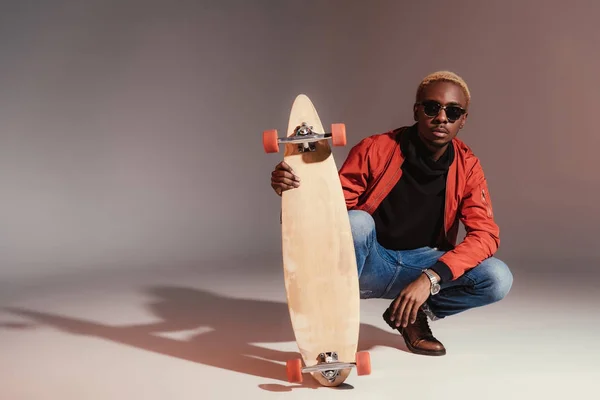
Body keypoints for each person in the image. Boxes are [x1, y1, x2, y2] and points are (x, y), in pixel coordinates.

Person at [269, 71, 513, 356]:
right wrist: (295, 193)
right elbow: (332, 210)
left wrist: (430, 279)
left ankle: (410, 314)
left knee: (497, 278)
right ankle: (330, 316)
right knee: (357, 222)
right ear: (417, 110)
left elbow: (485, 234)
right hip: (366, 263)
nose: (442, 118)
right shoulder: (376, 149)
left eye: (453, 111)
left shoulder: (467, 166)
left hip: (419, 269)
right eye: (432, 107)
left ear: (463, 119)